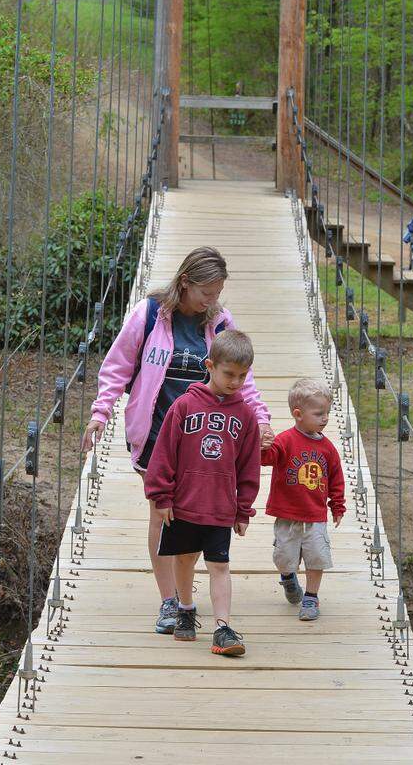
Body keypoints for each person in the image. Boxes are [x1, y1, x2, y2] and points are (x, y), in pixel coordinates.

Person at [82, 247, 274, 634]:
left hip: (207, 435)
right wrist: (100, 412)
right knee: (163, 512)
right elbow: (118, 365)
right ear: (185, 282)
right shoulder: (149, 315)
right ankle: (170, 601)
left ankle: (186, 592)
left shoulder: (219, 321)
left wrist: (262, 419)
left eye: (218, 292)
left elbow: (242, 378)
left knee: (190, 515)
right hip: (156, 431)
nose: (212, 300)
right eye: (207, 292)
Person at [143, 330, 261, 656]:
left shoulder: (246, 416)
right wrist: (161, 496)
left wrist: (244, 508)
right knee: (184, 559)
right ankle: (185, 607)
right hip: (184, 504)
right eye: (229, 374)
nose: (235, 382)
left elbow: (250, 466)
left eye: (242, 376)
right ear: (209, 365)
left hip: (220, 507)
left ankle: (223, 628)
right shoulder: (183, 406)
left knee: (219, 565)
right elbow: (163, 454)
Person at [261, 377, 345, 622]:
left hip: (315, 516)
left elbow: (336, 480)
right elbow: (266, 459)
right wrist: (262, 446)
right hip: (287, 514)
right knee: (284, 559)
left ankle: (311, 596)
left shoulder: (328, 449)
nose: (325, 418)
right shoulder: (285, 440)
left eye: (327, 413)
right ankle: (288, 578)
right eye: (319, 413)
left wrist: (337, 505)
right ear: (298, 414)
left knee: (316, 557)